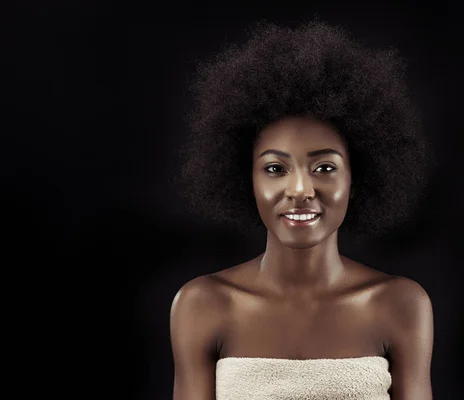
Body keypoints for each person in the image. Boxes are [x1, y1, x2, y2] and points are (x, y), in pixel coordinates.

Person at [170, 19, 434, 400]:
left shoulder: (400, 305)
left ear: (356, 178)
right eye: (275, 169)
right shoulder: (202, 304)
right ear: (247, 179)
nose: (299, 190)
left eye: (324, 168)